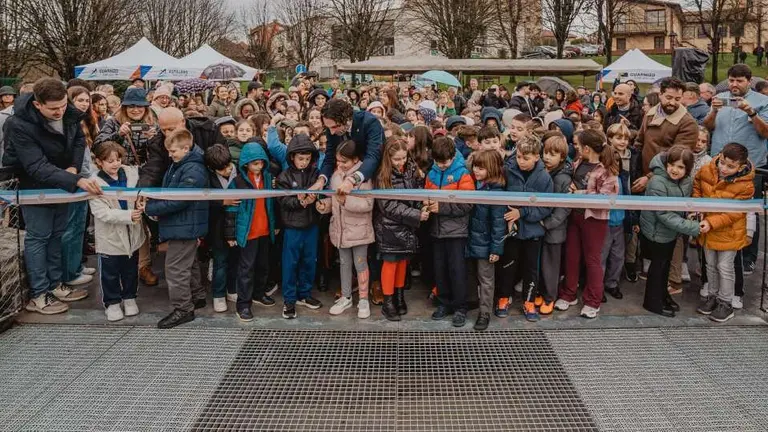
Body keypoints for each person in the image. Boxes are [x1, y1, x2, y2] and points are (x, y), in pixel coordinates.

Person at [3, 78, 103, 314]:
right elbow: (35, 166)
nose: (60, 112)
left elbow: (78, 140)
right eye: (53, 108)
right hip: (33, 185)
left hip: (63, 181)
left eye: (63, 105)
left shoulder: (69, 113)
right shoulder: (18, 124)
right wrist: (74, 179)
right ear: (37, 104)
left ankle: (55, 284)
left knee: (58, 234)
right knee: (39, 236)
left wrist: (73, 168)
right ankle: (39, 294)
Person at [703, 64, 768, 274]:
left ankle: (748, 256)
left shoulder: (762, 101)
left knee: (748, 213)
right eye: (731, 80)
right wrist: (714, 110)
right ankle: (717, 252)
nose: (734, 84)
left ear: (749, 81)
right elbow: (708, 126)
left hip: (749, 167)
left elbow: (765, 132)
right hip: (719, 165)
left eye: (739, 81)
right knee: (718, 210)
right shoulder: (720, 98)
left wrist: (751, 113)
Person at [144, 129, 209, 329]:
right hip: (185, 224)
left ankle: (183, 308)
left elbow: (180, 199)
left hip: (184, 225)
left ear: (186, 148)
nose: (170, 155)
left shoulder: (191, 169)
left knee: (175, 269)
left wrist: (150, 208)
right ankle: (197, 296)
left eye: (173, 151)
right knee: (189, 263)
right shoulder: (184, 165)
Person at [555, 129, 619, 319]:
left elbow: (607, 197)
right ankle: (568, 293)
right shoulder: (578, 163)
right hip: (575, 216)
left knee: (592, 260)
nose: (576, 147)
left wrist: (579, 193)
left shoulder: (606, 170)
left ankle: (593, 301)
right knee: (572, 256)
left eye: (578, 145)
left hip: (594, 219)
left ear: (587, 148)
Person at [694, 143, 754, 322]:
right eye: (722, 163)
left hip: (729, 232)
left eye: (731, 166)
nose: (724, 168)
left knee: (725, 267)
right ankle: (712, 297)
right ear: (719, 156)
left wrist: (711, 222)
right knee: (710, 265)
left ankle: (726, 303)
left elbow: (735, 213)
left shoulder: (746, 185)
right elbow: (697, 186)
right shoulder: (707, 169)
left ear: (741, 167)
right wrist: (697, 207)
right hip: (707, 228)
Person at [316, 140, 375, 319]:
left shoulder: (363, 178)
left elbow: (368, 204)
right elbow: (334, 200)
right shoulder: (335, 176)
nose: (340, 164)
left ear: (355, 159)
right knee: (344, 263)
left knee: (360, 263)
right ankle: (346, 296)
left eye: (345, 161)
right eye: (338, 161)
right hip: (340, 230)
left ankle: (363, 299)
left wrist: (345, 201)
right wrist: (325, 205)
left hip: (359, 231)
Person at [639, 146, 701, 317]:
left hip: (672, 232)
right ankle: (652, 302)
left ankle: (662, 295)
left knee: (665, 266)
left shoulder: (686, 181)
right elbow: (663, 214)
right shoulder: (657, 182)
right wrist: (693, 227)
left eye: (680, 167)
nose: (674, 170)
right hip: (657, 232)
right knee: (658, 268)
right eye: (672, 165)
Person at [498, 135, 553, 322]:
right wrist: (508, 216)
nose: (521, 161)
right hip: (511, 230)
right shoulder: (508, 170)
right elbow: (501, 197)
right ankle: (504, 297)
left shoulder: (544, 178)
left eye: (526, 158)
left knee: (531, 269)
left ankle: (529, 301)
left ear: (537, 157)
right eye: (519, 156)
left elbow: (546, 207)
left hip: (532, 232)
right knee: (508, 265)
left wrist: (522, 213)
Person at [89, 142, 146, 322]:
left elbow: (141, 193)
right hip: (110, 237)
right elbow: (101, 212)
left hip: (132, 234)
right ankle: (112, 302)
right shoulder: (94, 183)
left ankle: (130, 297)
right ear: (99, 162)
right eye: (110, 161)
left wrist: (141, 203)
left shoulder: (132, 173)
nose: (115, 164)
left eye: (118, 159)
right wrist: (128, 215)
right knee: (110, 273)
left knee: (130, 270)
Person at [374, 137, 427, 321]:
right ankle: (388, 302)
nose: (401, 162)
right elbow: (388, 206)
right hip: (389, 226)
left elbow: (418, 192)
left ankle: (399, 296)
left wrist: (421, 207)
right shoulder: (382, 175)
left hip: (407, 224)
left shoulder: (412, 169)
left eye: (404, 157)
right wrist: (416, 214)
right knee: (390, 262)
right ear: (388, 157)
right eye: (397, 159)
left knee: (403, 261)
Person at [424, 136, 475, 327]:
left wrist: (441, 207)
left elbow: (467, 204)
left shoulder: (463, 174)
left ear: (453, 157)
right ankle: (443, 302)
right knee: (440, 269)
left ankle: (460, 306)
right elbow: (426, 194)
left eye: (444, 162)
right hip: (437, 230)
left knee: (457, 270)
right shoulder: (432, 173)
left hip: (456, 231)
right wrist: (426, 205)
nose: (441, 165)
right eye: (438, 162)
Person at [225, 142, 277, 321]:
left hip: (265, 230)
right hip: (248, 232)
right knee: (246, 269)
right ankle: (243, 304)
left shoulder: (269, 178)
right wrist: (230, 234)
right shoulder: (237, 182)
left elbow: (274, 203)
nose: (259, 166)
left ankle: (258, 294)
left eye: (261, 162)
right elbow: (231, 210)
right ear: (246, 163)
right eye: (255, 163)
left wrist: (275, 225)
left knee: (263, 265)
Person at [276, 134, 324, 319]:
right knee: (290, 263)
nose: (304, 162)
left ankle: (304, 294)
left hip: (311, 225)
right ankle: (289, 299)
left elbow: (322, 192)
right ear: (292, 157)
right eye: (300, 158)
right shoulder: (284, 176)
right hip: (292, 227)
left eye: (308, 158)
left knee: (309, 261)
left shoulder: (315, 174)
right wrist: (301, 202)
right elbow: (283, 200)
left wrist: (317, 201)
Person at [60, 86, 99, 288]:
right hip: (76, 181)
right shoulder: (68, 123)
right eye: (80, 100)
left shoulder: (84, 121)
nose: (84, 104)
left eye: (86, 100)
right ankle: (69, 272)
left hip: (86, 180)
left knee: (78, 228)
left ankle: (76, 266)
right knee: (71, 229)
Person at [633, 77, 698, 192]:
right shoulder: (650, 114)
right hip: (642, 175)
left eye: (677, 99)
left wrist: (649, 177)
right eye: (669, 97)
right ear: (660, 95)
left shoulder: (688, 123)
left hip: (668, 183)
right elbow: (639, 141)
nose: (672, 102)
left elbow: (678, 159)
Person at [466, 150, 506, 331]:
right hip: (472, 239)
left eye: (481, 168)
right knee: (473, 276)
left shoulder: (496, 191)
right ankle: (472, 302)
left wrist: (496, 249)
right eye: (475, 166)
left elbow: (498, 224)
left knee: (486, 279)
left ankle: (485, 312)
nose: (476, 170)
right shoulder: (474, 184)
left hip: (486, 243)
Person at [311, 99, 384, 196]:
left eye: (334, 127)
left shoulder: (369, 122)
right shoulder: (331, 127)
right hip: (345, 178)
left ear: (347, 119)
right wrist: (321, 180)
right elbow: (330, 157)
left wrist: (353, 179)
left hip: (372, 177)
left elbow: (373, 155)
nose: (331, 132)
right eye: (328, 128)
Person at [140, 107, 221, 187]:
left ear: (183, 122)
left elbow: (221, 160)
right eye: (163, 130)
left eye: (171, 129)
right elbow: (152, 169)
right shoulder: (159, 141)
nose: (167, 134)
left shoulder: (208, 131)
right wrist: (142, 189)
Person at [540, 133, 572, 315]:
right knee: (542, 263)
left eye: (552, 154)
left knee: (551, 265)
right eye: (545, 153)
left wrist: (547, 223)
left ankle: (549, 297)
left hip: (554, 229)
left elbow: (563, 208)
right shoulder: (545, 172)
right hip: (542, 226)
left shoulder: (562, 178)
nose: (547, 157)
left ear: (562, 157)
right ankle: (542, 292)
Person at [204, 144, 239, 313]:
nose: (227, 170)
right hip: (218, 226)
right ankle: (218, 295)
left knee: (236, 260)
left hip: (237, 224)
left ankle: (232, 289)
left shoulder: (239, 171)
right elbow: (202, 198)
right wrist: (221, 202)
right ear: (212, 169)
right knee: (220, 261)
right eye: (221, 169)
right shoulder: (207, 177)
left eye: (228, 165)